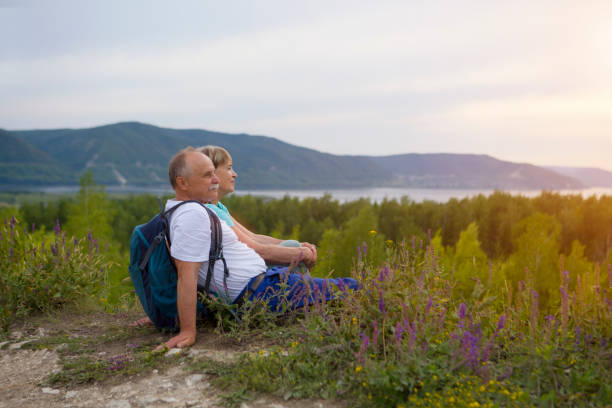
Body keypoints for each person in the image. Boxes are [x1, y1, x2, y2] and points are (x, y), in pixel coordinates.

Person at [160, 147, 358, 349]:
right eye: (207, 175)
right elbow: (187, 274)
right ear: (182, 182)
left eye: (214, 173)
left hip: (262, 284)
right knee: (352, 288)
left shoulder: (191, 209)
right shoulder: (192, 215)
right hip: (257, 293)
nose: (216, 180)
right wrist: (188, 331)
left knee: (333, 288)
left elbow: (251, 240)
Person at [197, 145, 316, 269]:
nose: (234, 174)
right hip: (238, 272)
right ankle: (304, 287)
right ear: (212, 173)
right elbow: (256, 249)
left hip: (240, 266)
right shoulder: (212, 211)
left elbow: (253, 237)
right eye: (229, 168)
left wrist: (300, 245)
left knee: (294, 245)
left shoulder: (218, 207)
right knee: (294, 248)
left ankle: (301, 286)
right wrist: (302, 253)